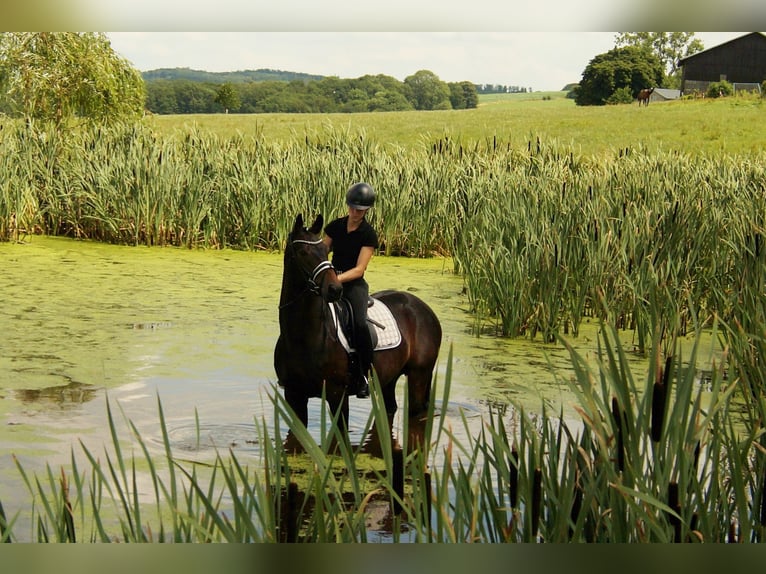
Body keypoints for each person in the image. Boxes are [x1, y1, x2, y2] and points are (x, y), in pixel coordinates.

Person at [323, 182, 379, 399]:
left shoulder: (368, 234)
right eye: (352, 208)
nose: (355, 213)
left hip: (353, 285)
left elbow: (359, 269)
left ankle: (366, 376)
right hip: (331, 281)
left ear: (366, 211)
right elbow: (323, 250)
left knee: (359, 323)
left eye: (360, 210)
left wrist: (336, 278)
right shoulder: (335, 226)